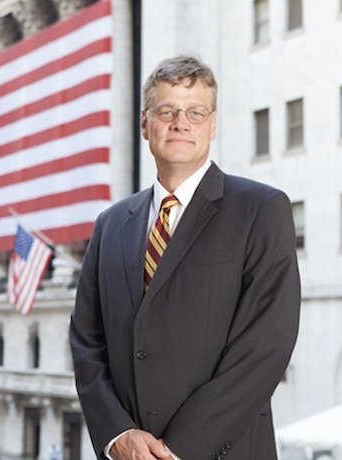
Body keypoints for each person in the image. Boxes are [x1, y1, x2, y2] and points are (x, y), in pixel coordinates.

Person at [69, 54, 300, 460]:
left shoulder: (260, 209)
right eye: (166, 111)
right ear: (145, 124)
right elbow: (87, 340)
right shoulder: (109, 225)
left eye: (196, 112)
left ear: (212, 125)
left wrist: (177, 449)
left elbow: (266, 346)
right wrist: (116, 433)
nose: (181, 123)